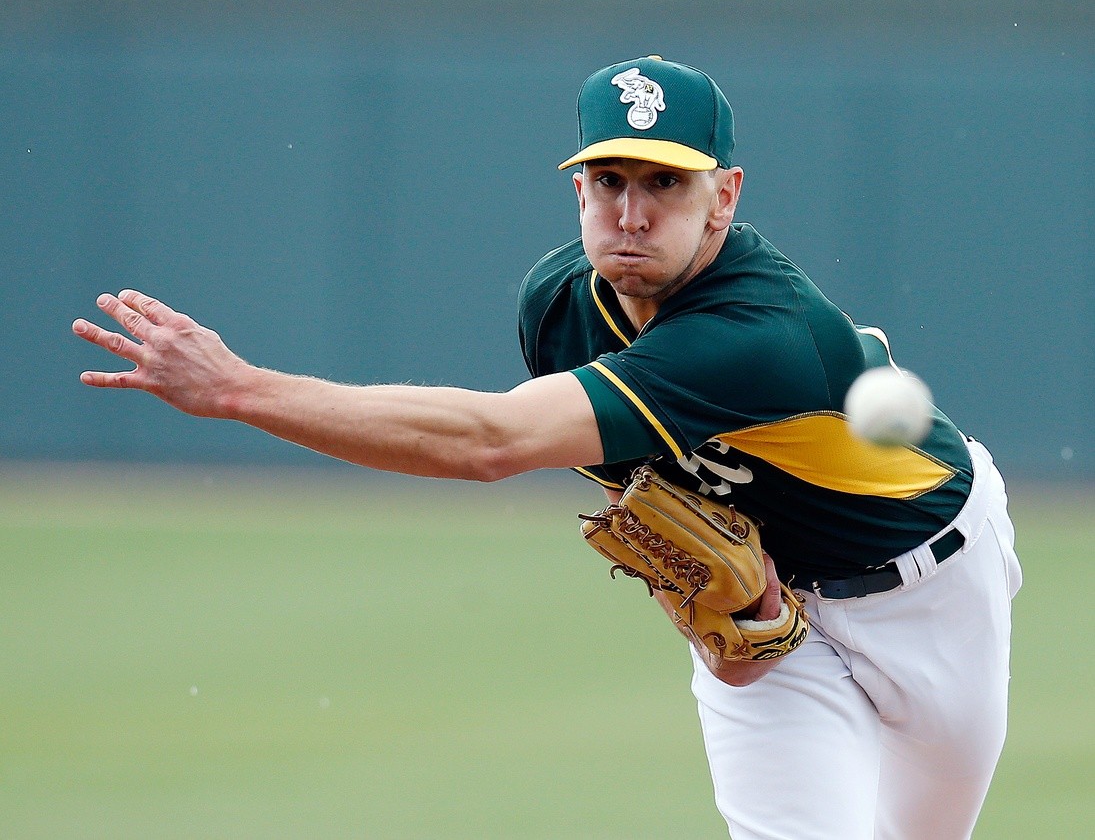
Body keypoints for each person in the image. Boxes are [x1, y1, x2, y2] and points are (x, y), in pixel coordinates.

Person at [73, 56, 1021, 839]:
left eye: (665, 182)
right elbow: (667, 511)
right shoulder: (559, 307)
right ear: (577, 188)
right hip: (774, 634)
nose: (631, 212)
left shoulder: (752, 333)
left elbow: (490, 444)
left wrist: (242, 390)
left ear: (723, 196)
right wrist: (711, 622)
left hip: (933, 594)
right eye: (608, 181)